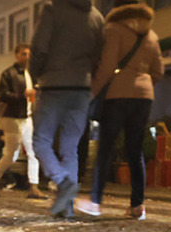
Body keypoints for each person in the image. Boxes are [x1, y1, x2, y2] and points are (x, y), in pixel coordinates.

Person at [76, 0, 164, 220]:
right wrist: (142, 82)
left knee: (105, 147)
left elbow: (107, 66)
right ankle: (137, 205)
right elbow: (159, 71)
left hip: (117, 95)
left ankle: (95, 201)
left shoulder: (114, 29)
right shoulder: (151, 34)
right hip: (144, 97)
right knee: (135, 150)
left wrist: (91, 93)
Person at [30, 0, 105, 218]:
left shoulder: (53, 9)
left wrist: (36, 74)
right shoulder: (96, 17)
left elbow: (39, 47)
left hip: (54, 84)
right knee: (70, 148)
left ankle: (63, 182)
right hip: (82, 86)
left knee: (41, 141)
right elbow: (98, 55)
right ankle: (67, 206)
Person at [0, 44, 42, 199]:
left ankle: (34, 186)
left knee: (33, 152)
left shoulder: (30, 74)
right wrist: (21, 95)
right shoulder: (8, 74)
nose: (27, 57)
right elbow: (2, 95)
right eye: (24, 54)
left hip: (27, 117)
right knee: (11, 154)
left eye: (29, 54)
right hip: (12, 118)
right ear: (16, 55)